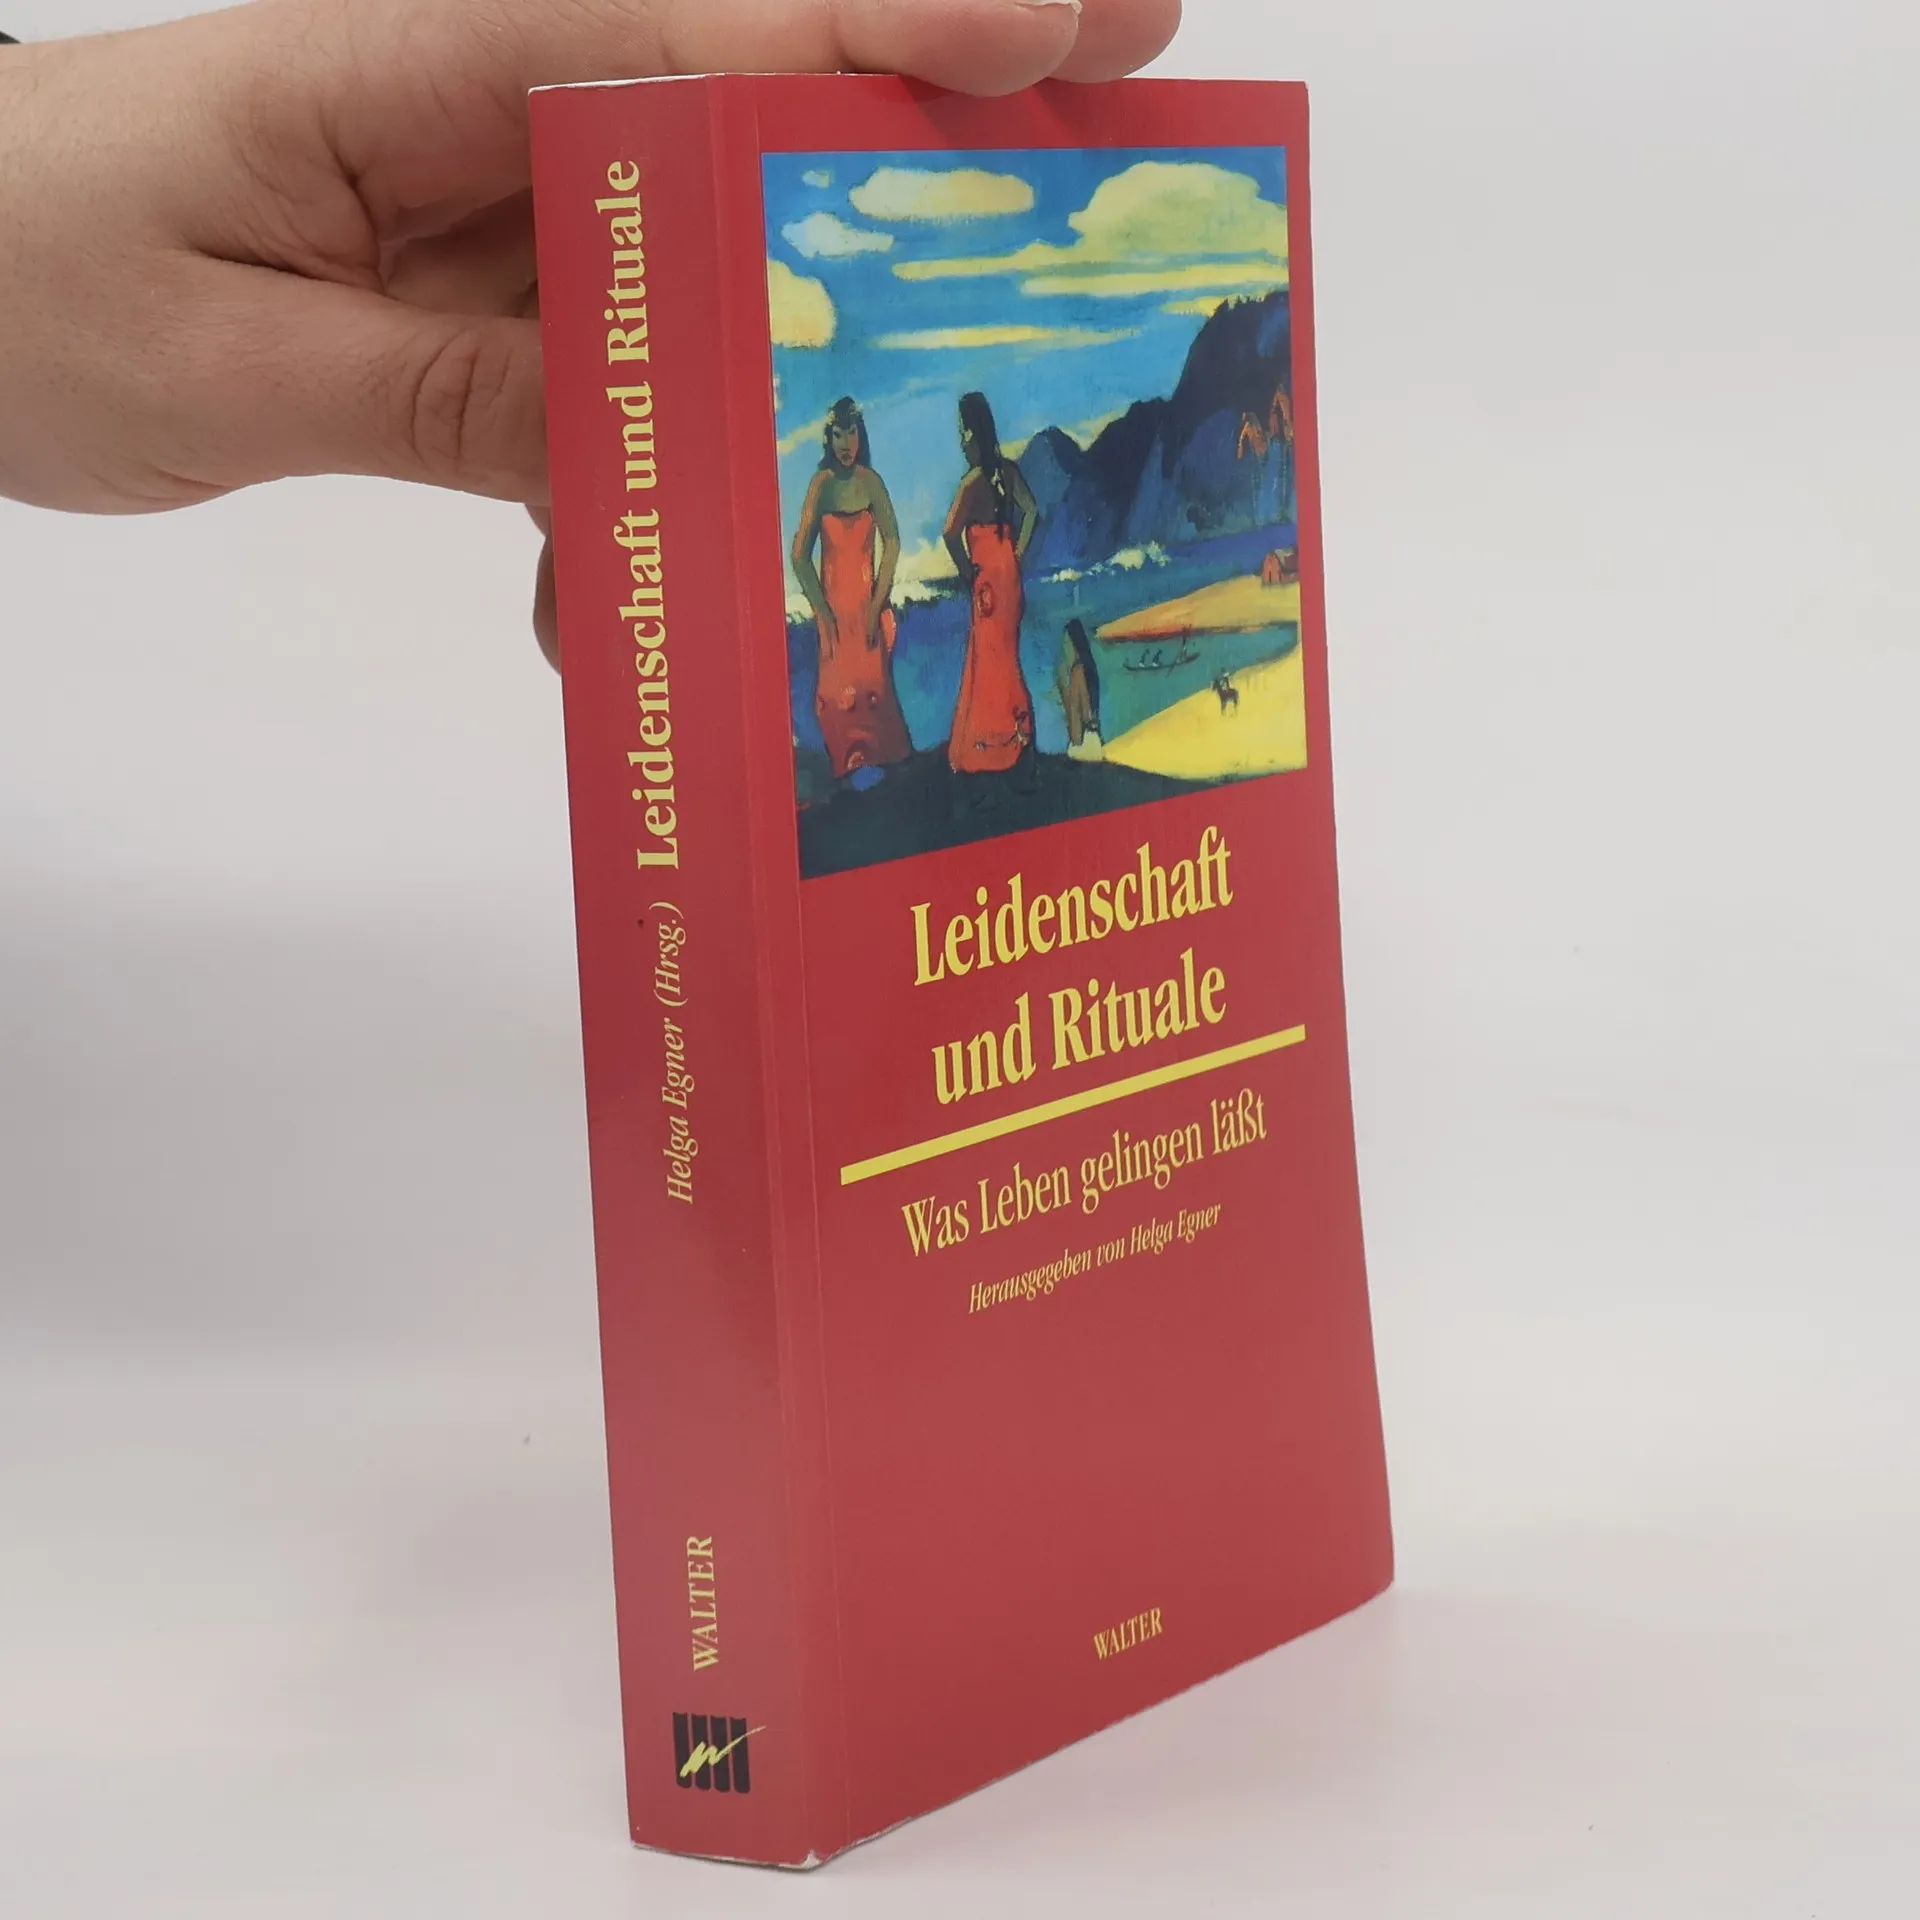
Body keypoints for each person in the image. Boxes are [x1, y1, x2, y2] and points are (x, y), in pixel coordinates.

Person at [0, 0, 1182, 667]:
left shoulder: (914, 485)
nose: (835, 444)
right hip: (862, 612)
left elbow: (950, 527)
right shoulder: (900, 488)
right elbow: (819, 546)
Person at [790, 397, 912, 782]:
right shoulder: (821, 485)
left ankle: (880, 779)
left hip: (867, 611)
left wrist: (877, 604)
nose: (846, 443)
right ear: (829, 438)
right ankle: (850, 773)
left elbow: (893, 541)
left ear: (861, 435)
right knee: (835, 702)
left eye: (852, 433)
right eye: (839, 434)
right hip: (834, 617)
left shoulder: (871, 482)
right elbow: (799, 556)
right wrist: (822, 614)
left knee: (874, 696)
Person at [941, 390, 1039, 775]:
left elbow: (949, 534)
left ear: (974, 432)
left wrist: (968, 572)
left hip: (986, 583)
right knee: (1007, 656)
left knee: (988, 660)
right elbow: (1032, 512)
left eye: (962, 431)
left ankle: (990, 743)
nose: (960, 441)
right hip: (1008, 576)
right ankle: (1017, 735)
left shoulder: (971, 484)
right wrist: (1016, 554)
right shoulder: (1008, 472)